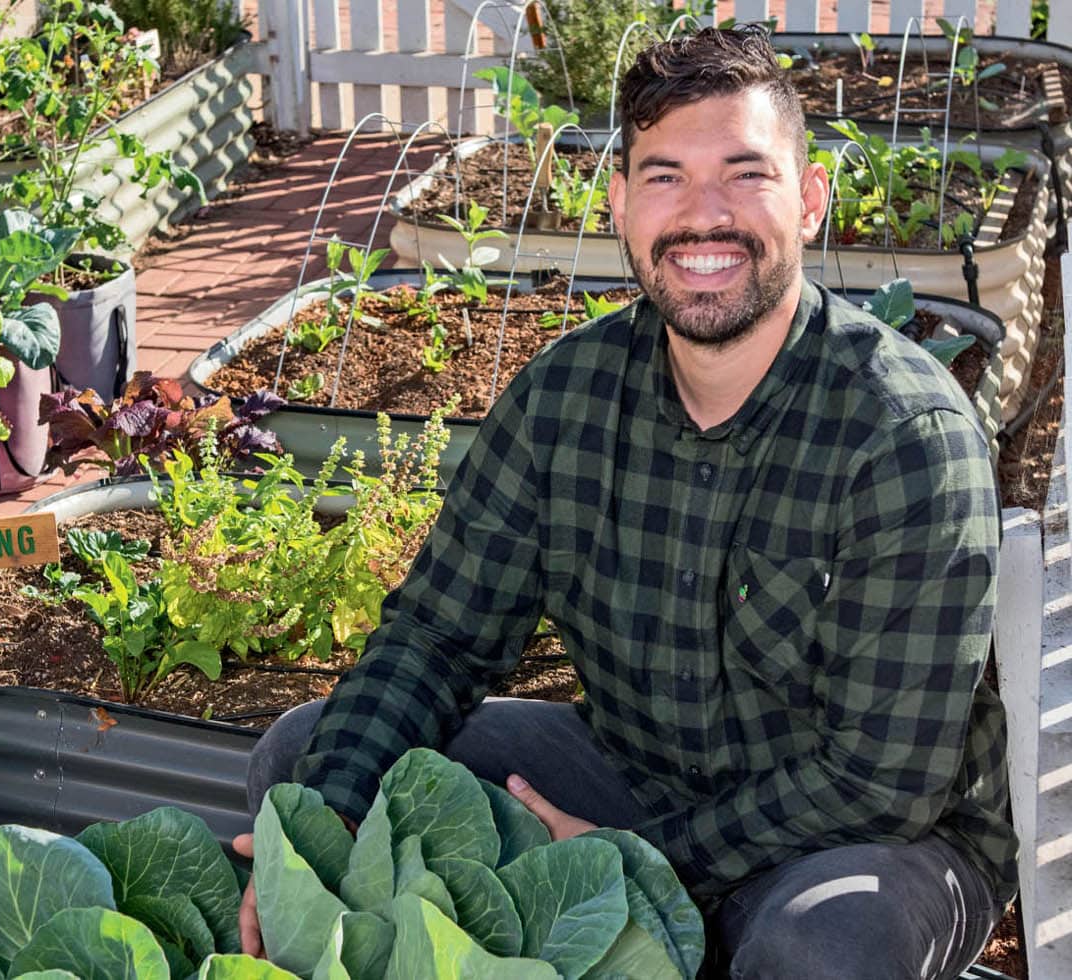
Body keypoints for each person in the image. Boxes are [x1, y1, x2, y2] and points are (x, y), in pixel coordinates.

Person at [237, 26, 1017, 979]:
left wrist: (634, 862)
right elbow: (438, 638)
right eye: (664, 178)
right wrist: (323, 823)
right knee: (311, 761)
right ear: (618, 204)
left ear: (809, 200)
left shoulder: (904, 435)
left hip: (866, 842)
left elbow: (882, 782)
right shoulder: (564, 399)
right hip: (632, 776)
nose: (703, 217)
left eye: (745, 175)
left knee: (821, 947)